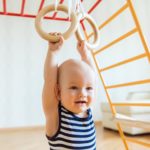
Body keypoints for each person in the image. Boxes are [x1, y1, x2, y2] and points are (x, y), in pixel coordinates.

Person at [42, 32, 96, 150]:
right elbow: (50, 81)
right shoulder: (56, 116)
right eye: (73, 87)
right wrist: (53, 52)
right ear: (58, 92)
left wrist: (86, 56)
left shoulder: (88, 111)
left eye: (88, 88)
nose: (83, 94)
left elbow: (91, 77)